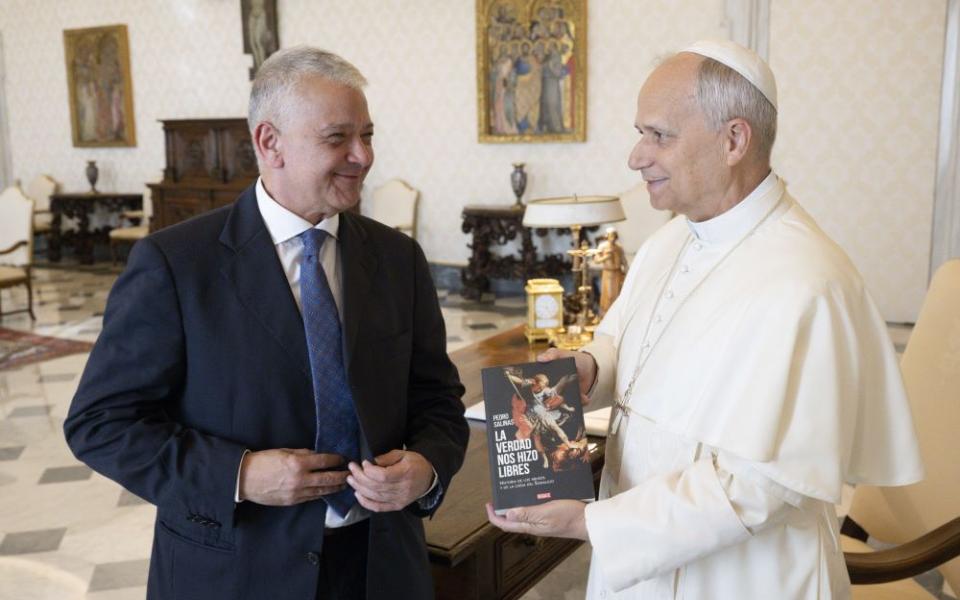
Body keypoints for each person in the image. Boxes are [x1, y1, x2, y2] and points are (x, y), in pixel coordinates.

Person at [487, 39, 923, 598]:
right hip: (643, 563)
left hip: (744, 577)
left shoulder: (807, 281)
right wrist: (591, 364)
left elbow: (756, 488)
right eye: (639, 132)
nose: (635, 156)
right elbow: (628, 339)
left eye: (658, 136)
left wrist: (589, 523)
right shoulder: (671, 239)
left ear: (733, 139)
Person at [64, 46, 469, 600]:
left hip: (381, 567)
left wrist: (425, 467)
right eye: (337, 138)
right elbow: (101, 424)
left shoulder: (397, 258)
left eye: (367, 135)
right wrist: (240, 474)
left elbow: (438, 399)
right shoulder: (176, 264)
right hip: (235, 572)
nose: (362, 156)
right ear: (269, 143)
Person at [592, 227, 628, 316]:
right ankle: (606, 314)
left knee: (617, 294)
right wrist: (605, 257)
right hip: (608, 273)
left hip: (618, 273)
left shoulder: (619, 247)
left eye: (615, 235)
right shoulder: (602, 246)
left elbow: (624, 261)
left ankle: (615, 315)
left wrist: (627, 272)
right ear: (607, 236)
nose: (613, 237)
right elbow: (596, 260)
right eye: (611, 235)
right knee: (609, 294)